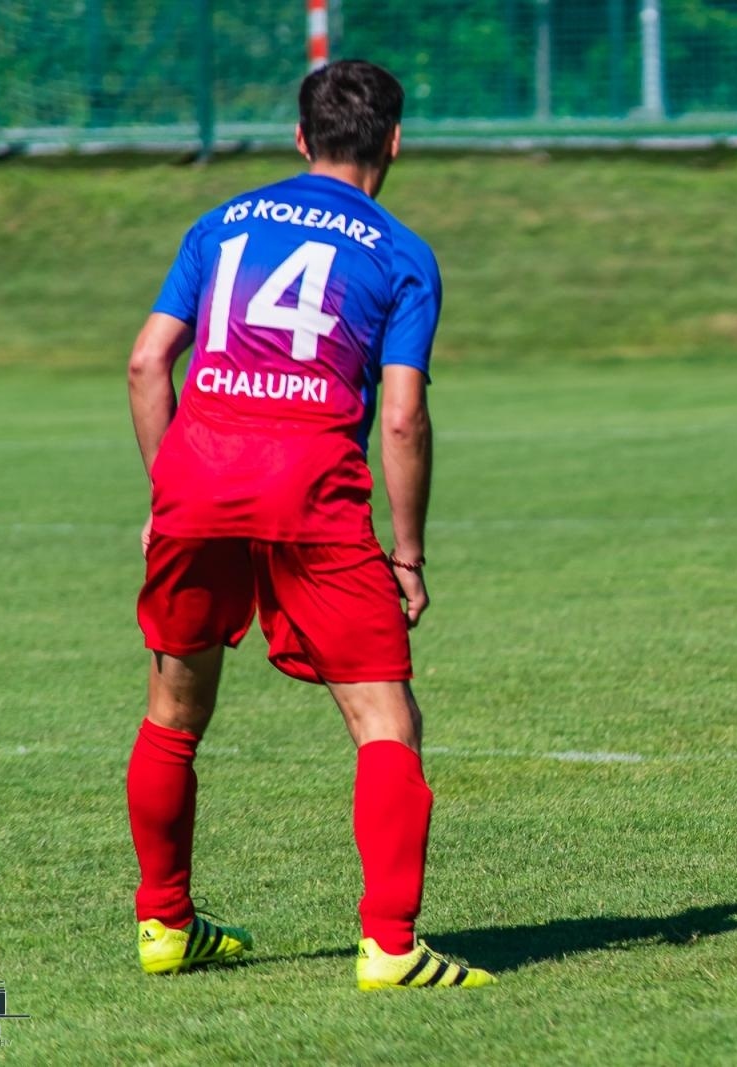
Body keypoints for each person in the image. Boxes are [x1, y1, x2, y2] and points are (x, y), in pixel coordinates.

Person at [125, 59, 494, 989]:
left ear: (300, 138)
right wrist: (407, 553)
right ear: (395, 142)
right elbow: (403, 417)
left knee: (174, 712)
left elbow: (145, 365)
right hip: (313, 494)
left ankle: (164, 924)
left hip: (197, 486)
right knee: (384, 721)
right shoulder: (403, 254)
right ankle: (391, 945)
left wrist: (166, 491)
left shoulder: (219, 224)